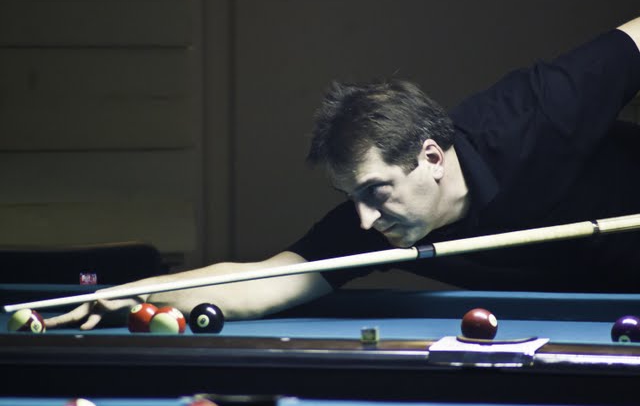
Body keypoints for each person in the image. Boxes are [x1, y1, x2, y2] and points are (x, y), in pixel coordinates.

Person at [45, 16, 640, 330]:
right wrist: (138, 292)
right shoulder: (375, 224)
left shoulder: (537, 113)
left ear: (431, 158)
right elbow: (266, 280)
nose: (363, 218)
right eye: (352, 196)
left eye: (375, 191)